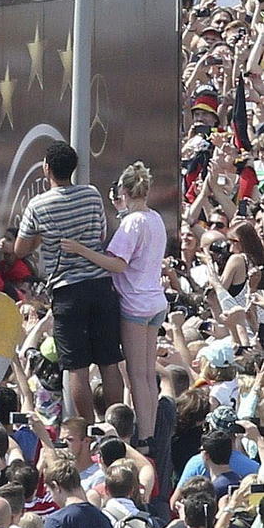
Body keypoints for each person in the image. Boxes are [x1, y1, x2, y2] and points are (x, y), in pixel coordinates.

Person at [14, 140, 123, 420]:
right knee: (110, 362)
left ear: (46, 169)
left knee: (76, 367)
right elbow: (100, 235)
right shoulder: (91, 194)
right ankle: (116, 425)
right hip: (100, 285)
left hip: (67, 290)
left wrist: (44, 236)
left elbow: (20, 250)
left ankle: (86, 430)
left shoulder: (38, 205)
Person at [62, 161, 167, 444]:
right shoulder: (154, 218)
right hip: (155, 300)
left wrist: (81, 250)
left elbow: (117, 264)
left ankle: (144, 436)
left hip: (135, 304)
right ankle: (151, 433)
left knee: (137, 376)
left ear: (124, 190)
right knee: (146, 375)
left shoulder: (132, 222)